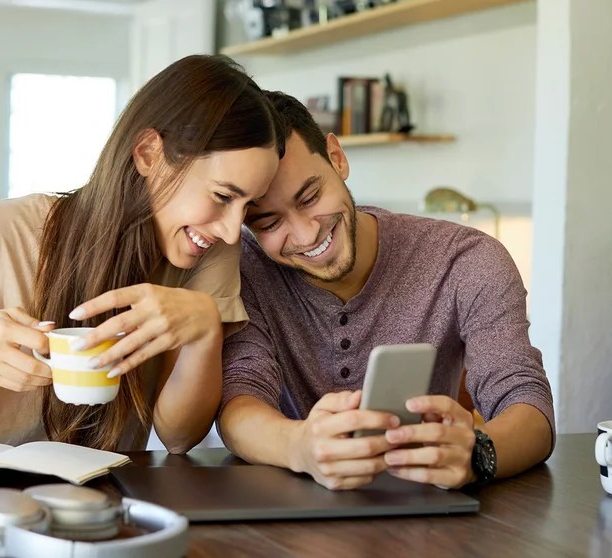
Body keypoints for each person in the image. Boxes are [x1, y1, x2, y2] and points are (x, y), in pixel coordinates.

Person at [0, 55, 283, 454]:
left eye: (248, 207)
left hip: (109, 500)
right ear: (149, 153)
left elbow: (179, 437)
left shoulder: (208, 251)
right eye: (222, 196)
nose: (229, 229)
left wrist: (203, 332)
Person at [218, 91, 554, 490]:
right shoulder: (244, 273)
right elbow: (238, 402)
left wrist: (477, 453)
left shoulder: (466, 260)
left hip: (425, 516)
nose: (307, 234)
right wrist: (300, 446)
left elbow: (528, 404)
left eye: (310, 197)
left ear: (337, 158)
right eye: (270, 223)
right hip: (285, 518)